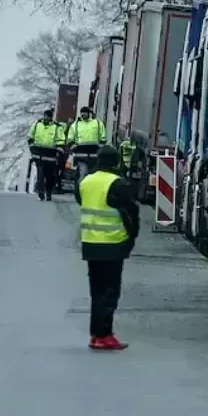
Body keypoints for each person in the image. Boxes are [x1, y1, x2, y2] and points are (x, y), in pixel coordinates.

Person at [74, 144, 139, 351]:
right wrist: (131, 237)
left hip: (90, 243)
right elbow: (131, 213)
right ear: (116, 161)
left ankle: (96, 334)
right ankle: (104, 335)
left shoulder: (85, 182)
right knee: (109, 293)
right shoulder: (117, 183)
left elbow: (80, 200)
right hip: (112, 244)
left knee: (96, 292)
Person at [27, 109, 61, 201]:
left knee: (50, 176)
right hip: (39, 155)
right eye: (45, 116)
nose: (47, 118)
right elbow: (30, 138)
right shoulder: (37, 125)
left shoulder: (57, 127)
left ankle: (49, 192)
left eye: (49, 116)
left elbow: (61, 141)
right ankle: (41, 193)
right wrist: (33, 152)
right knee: (40, 175)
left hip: (51, 157)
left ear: (51, 117)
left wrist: (59, 154)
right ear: (43, 116)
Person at [54, 120, 69, 191]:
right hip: (60, 155)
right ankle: (57, 185)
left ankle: (57, 185)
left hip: (61, 156)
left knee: (58, 171)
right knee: (58, 171)